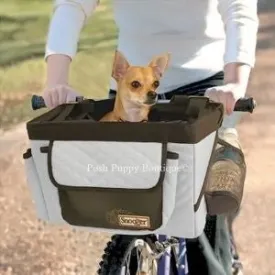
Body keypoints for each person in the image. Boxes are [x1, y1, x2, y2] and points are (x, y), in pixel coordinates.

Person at [43, 0, 259, 274]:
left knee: (210, 192)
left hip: (205, 86)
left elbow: (239, 8)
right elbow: (72, 6)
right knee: (128, 191)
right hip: (132, 89)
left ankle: (220, 256)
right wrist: (56, 81)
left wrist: (235, 82)